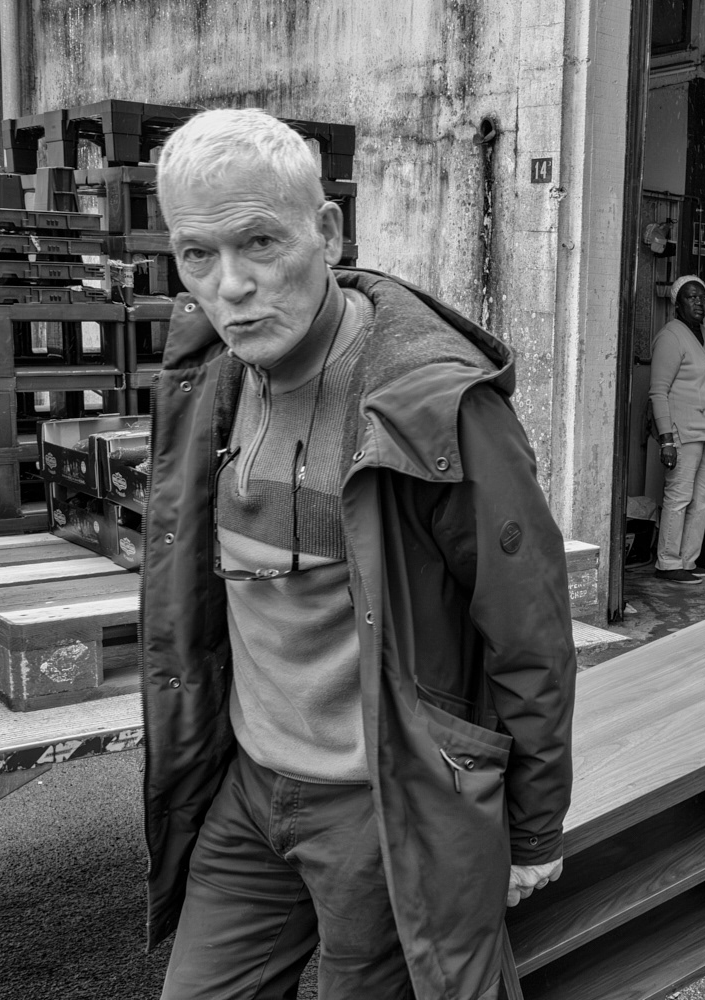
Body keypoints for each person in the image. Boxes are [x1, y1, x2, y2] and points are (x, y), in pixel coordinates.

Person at [140, 109, 575, 1000]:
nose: (231, 287)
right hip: (252, 793)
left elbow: (529, 627)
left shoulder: (437, 407)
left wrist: (533, 829)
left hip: (379, 811)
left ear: (327, 233)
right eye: (196, 254)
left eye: (260, 241)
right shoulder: (208, 381)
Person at [649, 274, 705, 585]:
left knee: (704, 496)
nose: (699, 302)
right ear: (677, 304)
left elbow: (703, 381)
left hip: (703, 430)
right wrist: (666, 439)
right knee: (679, 497)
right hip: (681, 431)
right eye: (691, 297)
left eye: (702, 297)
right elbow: (657, 391)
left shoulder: (702, 333)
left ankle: (687, 561)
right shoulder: (671, 336)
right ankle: (667, 563)